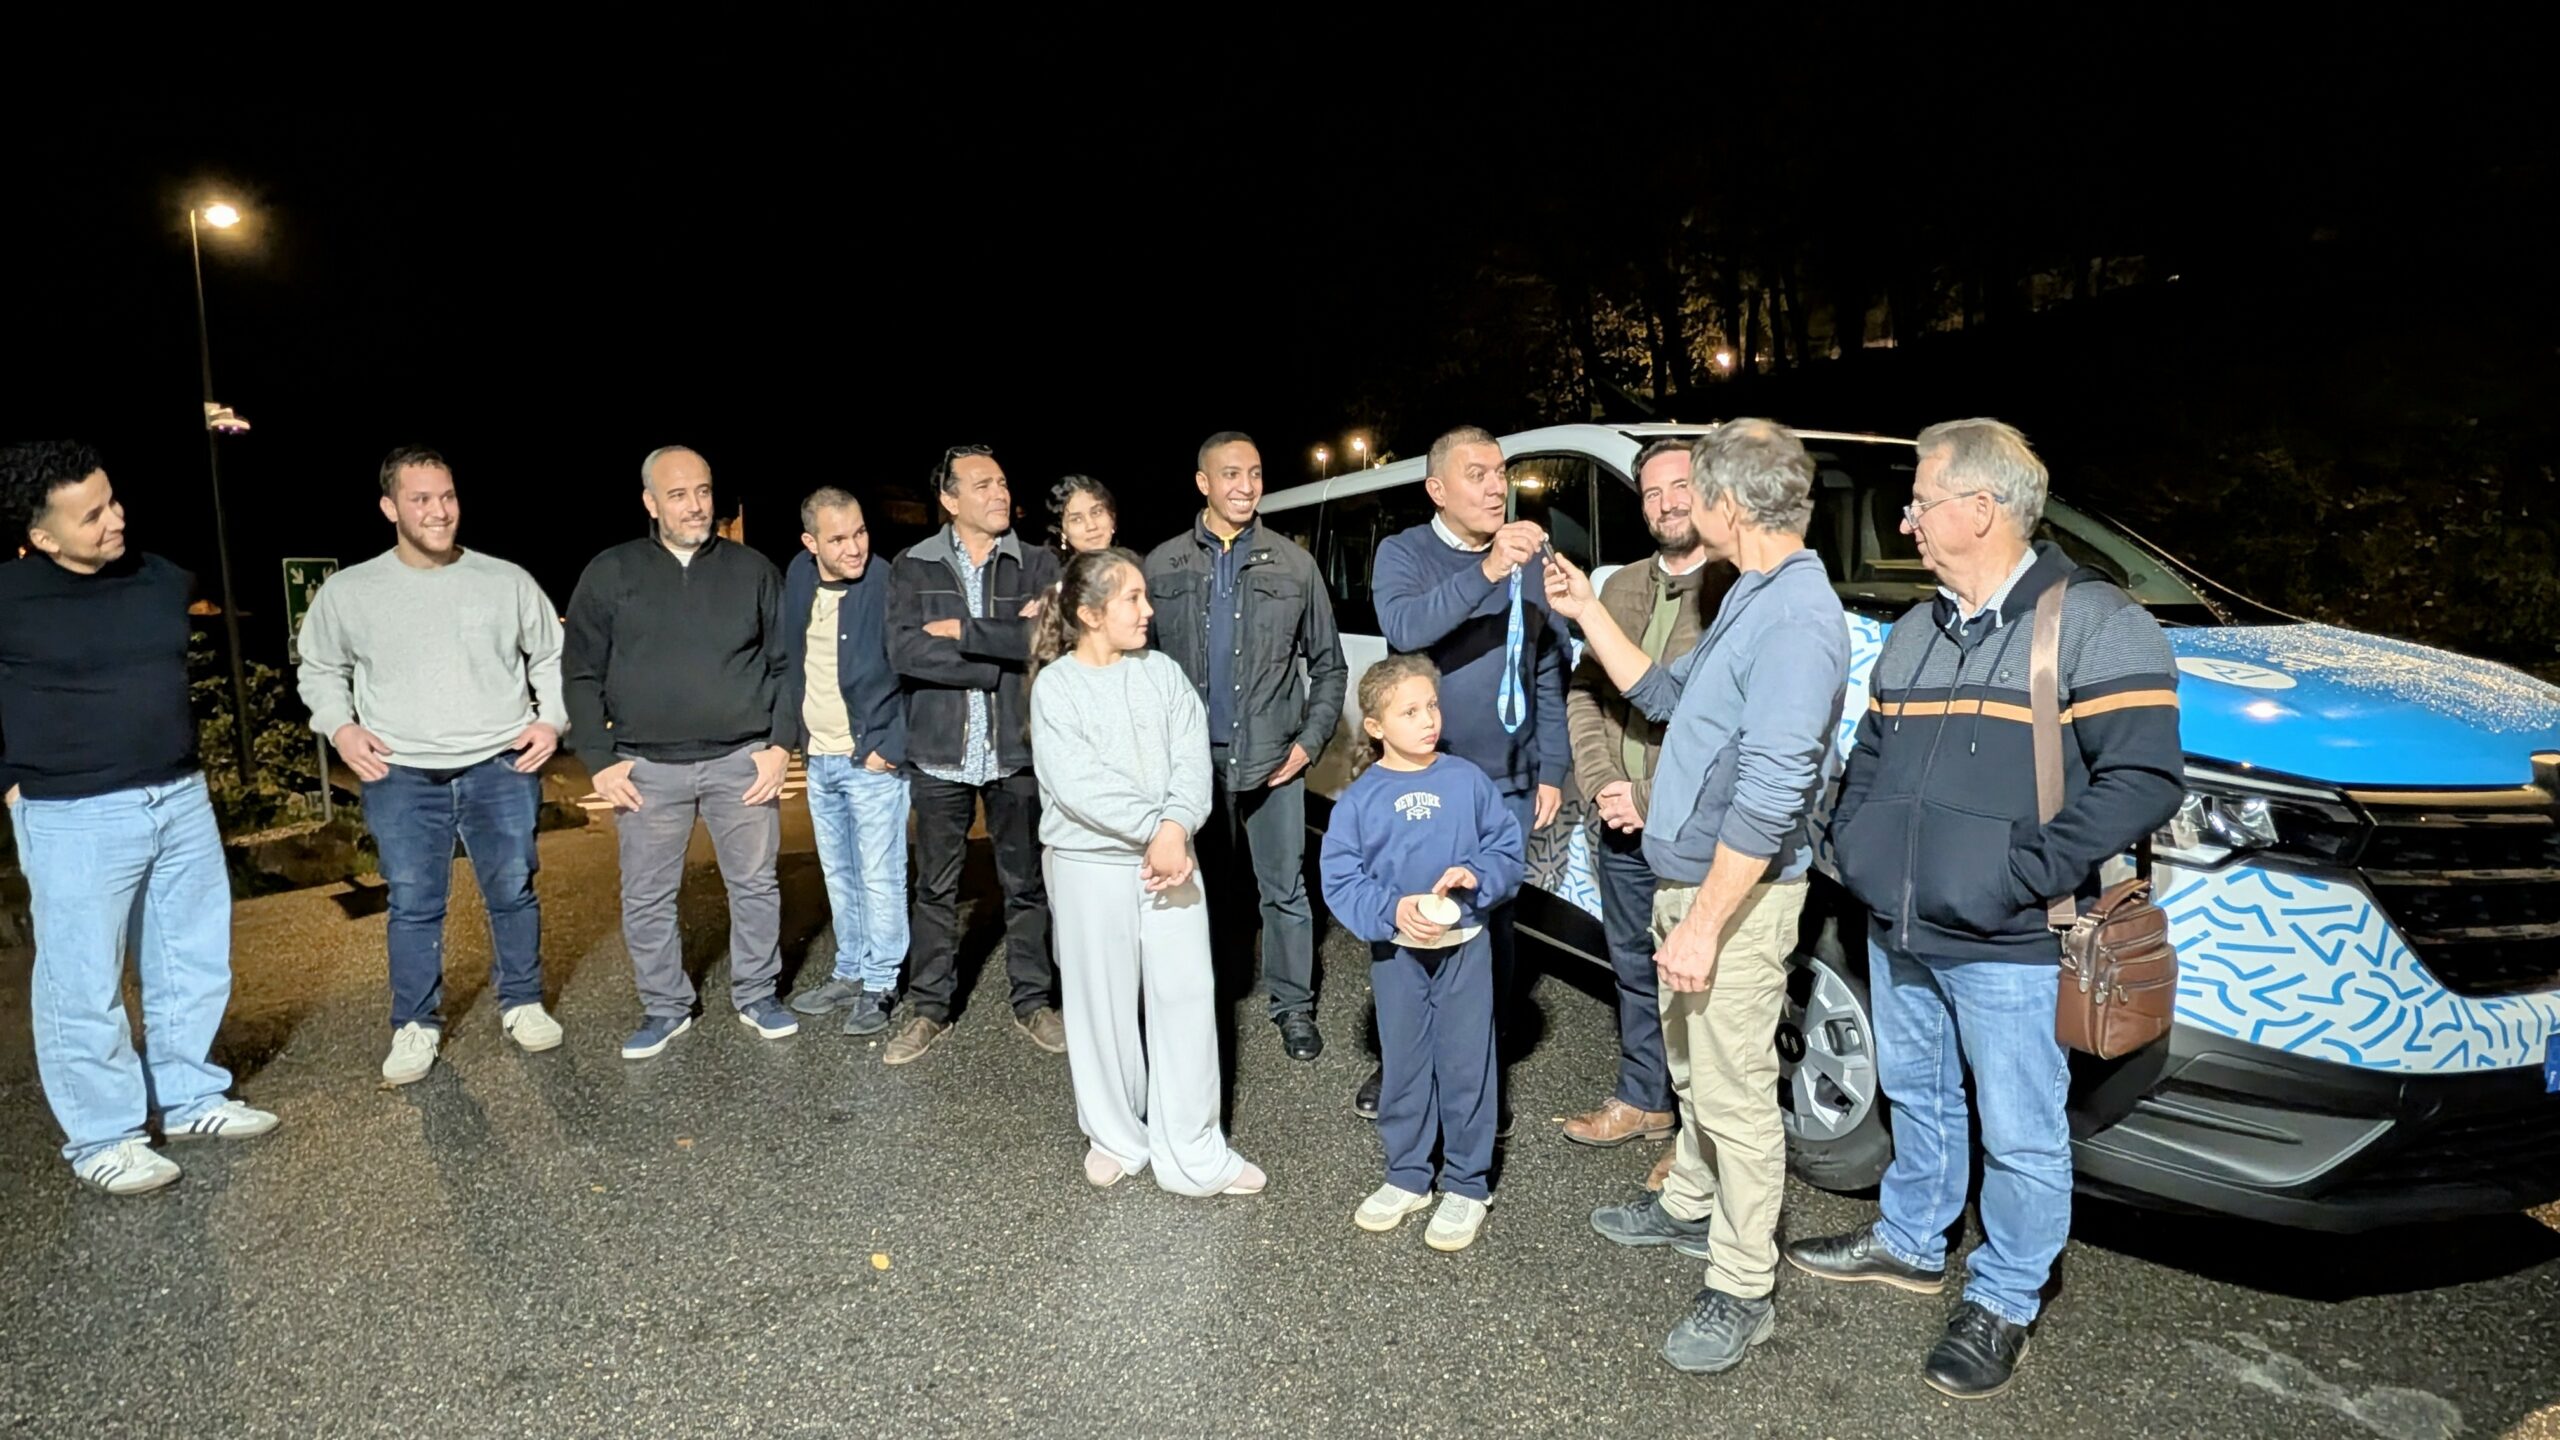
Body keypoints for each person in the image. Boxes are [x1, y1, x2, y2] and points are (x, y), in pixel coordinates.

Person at [1787, 419, 2182, 1401]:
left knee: (2019, 1125)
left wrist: (2020, 870)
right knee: (1918, 1095)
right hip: (1901, 922)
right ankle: (1914, 1243)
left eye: (1919, 500)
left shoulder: (2094, 622)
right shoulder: (1920, 628)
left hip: (2009, 935)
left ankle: (2005, 1294)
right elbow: (1870, 755)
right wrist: (1857, 848)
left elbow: (2141, 779)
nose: (1907, 518)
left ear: (1980, 508)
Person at [1545, 419, 1848, 1377]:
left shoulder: (1796, 617)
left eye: (1694, 493)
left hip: (1736, 902)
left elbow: (1770, 793)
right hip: (1687, 882)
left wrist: (1708, 923)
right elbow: (1668, 697)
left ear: (1726, 503)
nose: (1683, 509)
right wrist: (1588, 611)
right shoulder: (1750, 598)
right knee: (1691, 1067)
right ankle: (1686, 1206)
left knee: (1736, 1093)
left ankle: (1742, 1285)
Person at [0, 441, 277, 1194]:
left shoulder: (159, 578)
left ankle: (189, 1097)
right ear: (44, 537)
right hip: (73, 814)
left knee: (191, 959)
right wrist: (9, 784)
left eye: (113, 500)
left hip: (179, 798)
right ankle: (103, 1137)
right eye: (90, 516)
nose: (114, 519)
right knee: (81, 983)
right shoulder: (10, 597)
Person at [296, 446, 569, 1084]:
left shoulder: (505, 580)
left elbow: (550, 655)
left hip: (500, 762)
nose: (439, 510)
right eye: (421, 499)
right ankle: (415, 1024)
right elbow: (320, 667)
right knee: (415, 901)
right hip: (400, 770)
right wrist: (340, 727)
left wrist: (549, 719)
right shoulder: (351, 591)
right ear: (390, 507)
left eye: (446, 496)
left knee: (512, 889)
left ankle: (522, 1002)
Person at [1028, 546, 1264, 1196]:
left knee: (1187, 996)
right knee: (1099, 1005)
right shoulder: (1057, 686)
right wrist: (1151, 830)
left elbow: (1192, 760)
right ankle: (1115, 1135)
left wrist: (1172, 828)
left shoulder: (1162, 673)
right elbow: (1076, 784)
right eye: (1132, 598)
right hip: (1087, 866)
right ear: (1089, 613)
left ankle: (1194, 1150)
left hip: (1172, 855)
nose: (1148, 609)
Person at [563, 445, 799, 1059]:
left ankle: (757, 994)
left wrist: (779, 746)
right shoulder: (611, 573)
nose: (694, 505)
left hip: (740, 760)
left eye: (702, 490)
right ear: (649, 502)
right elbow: (581, 672)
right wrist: (600, 757)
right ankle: (666, 1008)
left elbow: (786, 665)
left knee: (753, 884)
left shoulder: (752, 571)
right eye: (677, 494)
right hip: (646, 766)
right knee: (645, 894)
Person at [1361, 425, 1566, 1122]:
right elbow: (1406, 626)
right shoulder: (1404, 553)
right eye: (1475, 474)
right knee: (1415, 921)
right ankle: (1403, 1067)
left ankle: (1478, 1069)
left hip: (1504, 783)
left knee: (1490, 925)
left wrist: (1553, 767)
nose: (1493, 486)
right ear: (1437, 490)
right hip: (1423, 779)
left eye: (1500, 473)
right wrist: (1486, 573)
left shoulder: (1529, 560)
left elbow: (1544, 667)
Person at [1142, 431, 1345, 1062]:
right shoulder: (1162, 565)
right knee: (1196, 890)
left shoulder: (1293, 564)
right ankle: (1198, 1001)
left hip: (1273, 765)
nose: (1246, 485)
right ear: (1203, 483)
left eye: (1255, 473)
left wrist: (1308, 744)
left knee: (1282, 890)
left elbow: (1330, 667)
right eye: (1231, 474)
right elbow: (1138, 668)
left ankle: (1293, 1008)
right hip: (1191, 767)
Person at [1561, 439, 1735, 1163]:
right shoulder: (1620, 586)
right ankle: (1645, 1100)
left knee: (1705, 981)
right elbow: (1585, 692)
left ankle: (1700, 1143)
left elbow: (1726, 725)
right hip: (1618, 820)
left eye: (1681, 487)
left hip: (1696, 825)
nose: (1667, 503)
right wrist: (1603, 784)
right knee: (1633, 965)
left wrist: (1646, 795)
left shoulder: (1737, 588)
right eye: (1652, 492)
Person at [1320, 654, 1523, 1252]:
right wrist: (1390, 911)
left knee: (1468, 1063)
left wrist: (1476, 875)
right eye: (1409, 712)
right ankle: (1408, 1174)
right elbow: (1341, 876)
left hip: (1466, 949)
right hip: (1398, 956)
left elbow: (1507, 850)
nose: (1428, 719)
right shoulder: (1361, 800)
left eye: (1431, 705)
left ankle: (1467, 1183)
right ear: (1377, 726)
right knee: (1405, 1063)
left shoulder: (1466, 780)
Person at [882, 444, 1067, 1064]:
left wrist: (964, 633)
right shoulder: (914, 565)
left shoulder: (1037, 563)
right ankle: (929, 1009)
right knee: (936, 889)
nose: (999, 494)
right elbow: (905, 652)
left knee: (1026, 885)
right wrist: (995, 665)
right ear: (949, 498)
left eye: (1004, 482)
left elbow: (1047, 639)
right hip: (940, 754)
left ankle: (1034, 1002)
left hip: (1016, 751)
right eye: (982, 484)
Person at [778, 488, 909, 1038]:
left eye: (859, 532)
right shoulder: (799, 577)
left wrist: (890, 747)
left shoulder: (889, 581)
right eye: (838, 538)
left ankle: (882, 982)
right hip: (821, 758)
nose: (855, 547)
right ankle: (851, 969)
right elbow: (791, 662)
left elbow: (916, 673)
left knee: (880, 876)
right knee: (839, 871)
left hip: (871, 756)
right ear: (810, 543)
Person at [1050, 474, 1117, 555]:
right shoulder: (1049, 566)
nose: (1091, 526)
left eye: (1096, 512)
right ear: (1062, 531)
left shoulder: (1134, 564)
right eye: (1077, 519)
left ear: (1112, 516)